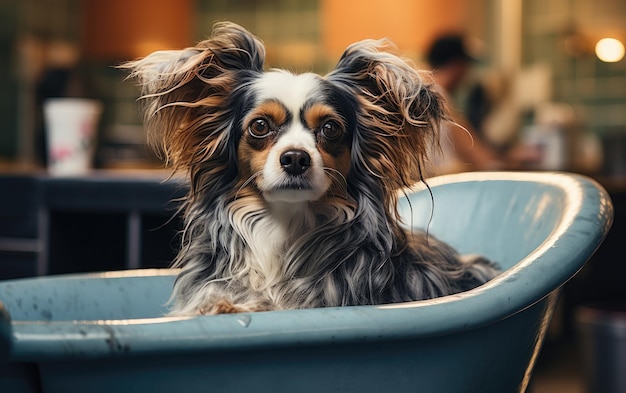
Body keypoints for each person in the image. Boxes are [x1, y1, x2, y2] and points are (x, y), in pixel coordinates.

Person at [425, 34, 539, 175]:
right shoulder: (440, 99)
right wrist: (511, 157)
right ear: (457, 65)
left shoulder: (420, 94)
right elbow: (482, 160)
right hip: (441, 188)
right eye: (467, 66)